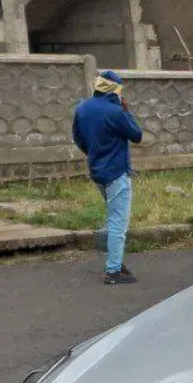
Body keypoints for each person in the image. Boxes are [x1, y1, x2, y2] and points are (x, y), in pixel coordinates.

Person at [72, 70, 145, 284]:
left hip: (97, 171)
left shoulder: (82, 107)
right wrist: (126, 110)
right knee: (118, 223)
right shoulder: (115, 112)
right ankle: (113, 272)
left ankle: (116, 260)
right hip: (117, 172)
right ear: (115, 90)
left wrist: (93, 153)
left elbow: (77, 138)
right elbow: (137, 135)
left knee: (113, 217)